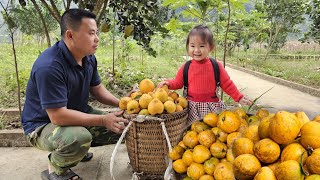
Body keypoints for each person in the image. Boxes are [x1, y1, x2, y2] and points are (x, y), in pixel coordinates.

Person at [20, 9, 128, 180]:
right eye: (91, 33)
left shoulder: (88, 57)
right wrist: (102, 119)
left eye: (97, 33)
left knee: (124, 127)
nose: (97, 38)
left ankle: (77, 150)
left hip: (75, 113)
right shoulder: (50, 66)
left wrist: (123, 103)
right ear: (70, 35)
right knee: (78, 138)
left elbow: (97, 89)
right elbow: (58, 117)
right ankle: (56, 169)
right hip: (41, 125)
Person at [157, 25, 252, 124]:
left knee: (213, 132)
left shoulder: (216, 66)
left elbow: (227, 84)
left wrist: (239, 97)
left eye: (201, 46)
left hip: (212, 108)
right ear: (188, 47)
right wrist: (168, 83)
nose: (197, 50)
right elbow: (178, 82)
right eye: (192, 46)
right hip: (192, 109)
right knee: (193, 133)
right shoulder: (186, 67)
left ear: (211, 47)